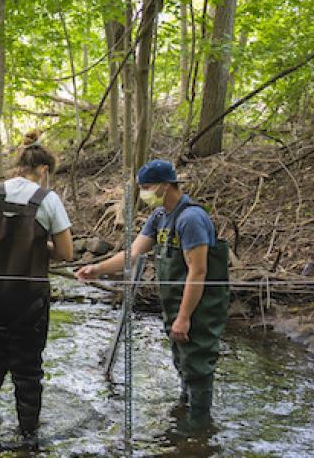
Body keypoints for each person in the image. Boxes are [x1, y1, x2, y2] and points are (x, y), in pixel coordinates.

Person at [75, 159, 229, 427]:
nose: (144, 193)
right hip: (175, 305)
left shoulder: (191, 219)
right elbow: (132, 254)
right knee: (184, 364)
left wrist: (184, 317)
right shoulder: (160, 217)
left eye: (147, 187)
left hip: (199, 309)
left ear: (166, 185)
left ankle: (198, 431)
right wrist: (97, 269)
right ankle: (186, 417)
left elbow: (198, 271)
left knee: (198, 367)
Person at [0, 130, 73, 444]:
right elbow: (66, 253)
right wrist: (39, 247)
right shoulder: (48, 200)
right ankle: (28, 436)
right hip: (27, 299)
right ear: (44, 170)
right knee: (28, 366)